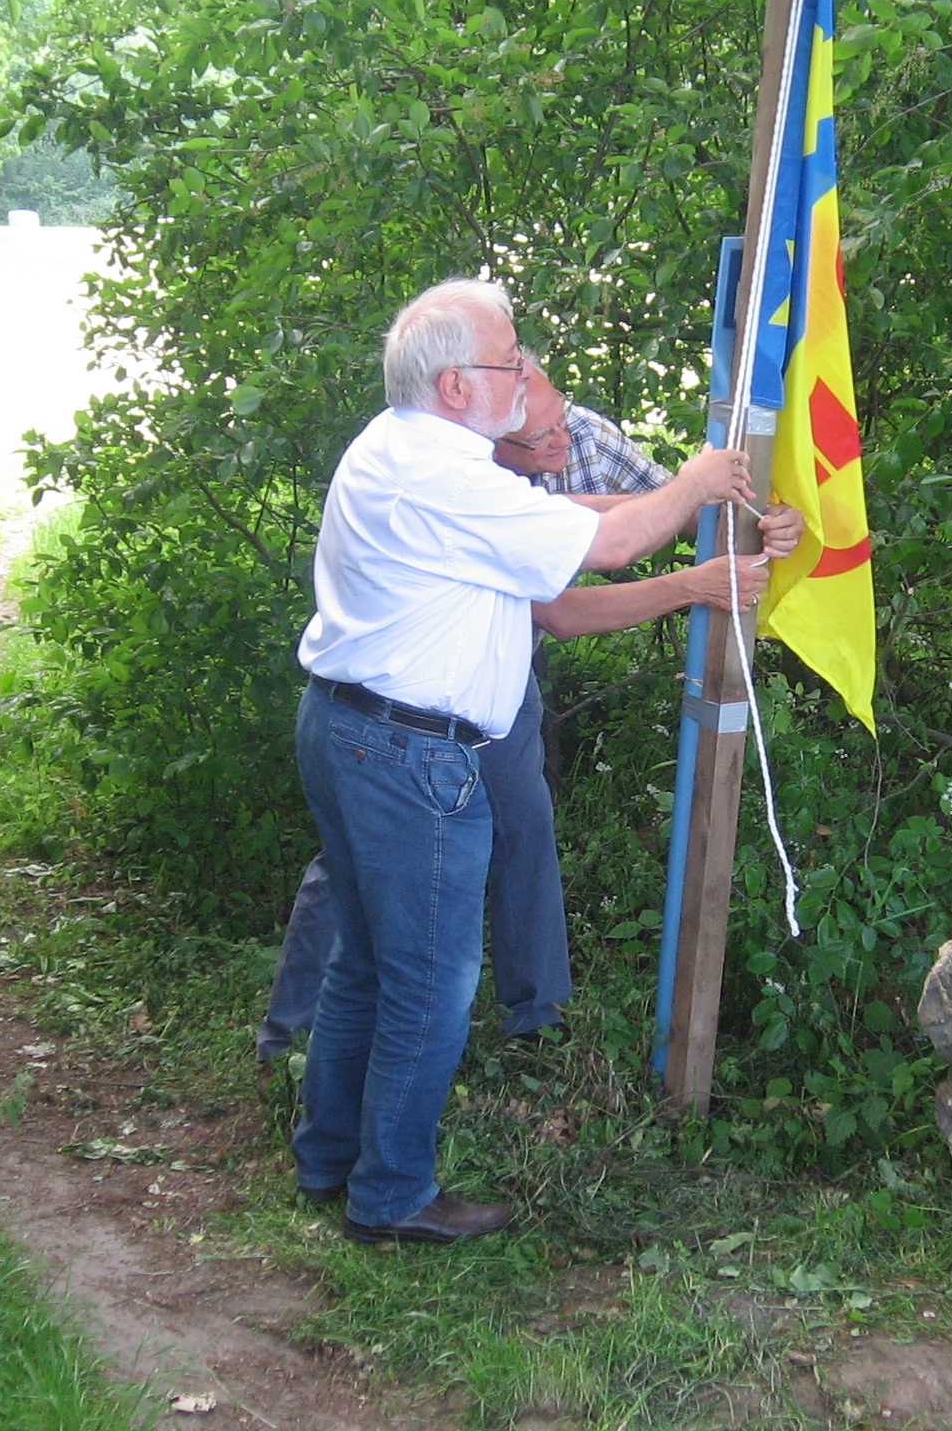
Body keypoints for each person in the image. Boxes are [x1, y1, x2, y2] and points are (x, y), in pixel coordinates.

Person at [291, 277, 767, 1245]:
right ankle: (389, 1200)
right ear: (457, 384)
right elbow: (609, 542)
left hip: (347, 731)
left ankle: (327, 1158)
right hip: (410, 757)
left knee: (369, 967)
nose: (523, 376)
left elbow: (573, 516)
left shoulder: (400, 447)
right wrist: (697, 478)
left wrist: (690, 499)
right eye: (509, 361)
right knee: (427, 984)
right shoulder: (447, 475)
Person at [257, 380, 792, 1061]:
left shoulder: (583, 437)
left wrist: (764, 515)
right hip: (410, 709)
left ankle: (537, 1016)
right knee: (357, 862)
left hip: (504, 683)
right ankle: (291, 1035)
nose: (562, 443)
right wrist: (692, 584)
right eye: (540, 439)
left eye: (561, 423)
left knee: (526, 827)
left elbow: (674, 507)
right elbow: (561, 610)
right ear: (488, 431)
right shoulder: (458, 472)